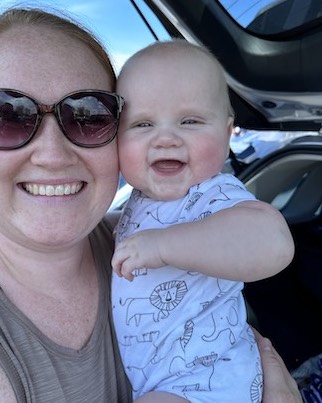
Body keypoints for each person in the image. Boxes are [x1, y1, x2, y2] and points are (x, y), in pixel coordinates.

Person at [0, 7, 301, 403]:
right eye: (4, 116)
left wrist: (165, 245)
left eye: (87, 115)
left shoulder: (134, 227)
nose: (51, 154)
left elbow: (266, 240)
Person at [111, 40, 295, 402]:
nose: (165, 138)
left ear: (227, 134)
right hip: (163, 379)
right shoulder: (137, 201)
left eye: (190, 121)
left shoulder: (215, 195)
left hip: (209, 378)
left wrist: (163, 245)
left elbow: (274, 243)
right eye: (143, 123)